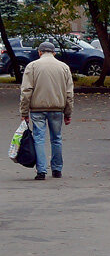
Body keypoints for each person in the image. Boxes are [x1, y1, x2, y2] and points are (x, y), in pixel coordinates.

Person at [20, 41, 74, 180]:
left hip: (37, 109)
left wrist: (24, 112)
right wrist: (68, 113)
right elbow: (69, 93)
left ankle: (41, 171)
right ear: (54, 52)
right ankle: (57, 170)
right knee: (56, 139)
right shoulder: (64, 67)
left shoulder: (32, 66)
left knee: (38, 139)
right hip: (57, 108)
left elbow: (26, 91)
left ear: (39, 52)